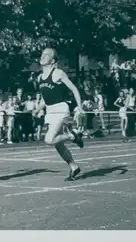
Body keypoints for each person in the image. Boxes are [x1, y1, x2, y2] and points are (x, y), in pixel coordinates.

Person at [34, 48, 84, 181]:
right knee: (58, 144)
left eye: (47, 55)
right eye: (42, 54)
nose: (43, 56)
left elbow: (74, 89)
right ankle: (74, 167)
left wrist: (79, 107)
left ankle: (72, 136)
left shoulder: (58, 73)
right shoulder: (40, 77)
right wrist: (37, 109)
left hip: (61, 109)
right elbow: (45, 98)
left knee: (49, 139)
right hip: (50, 111)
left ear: (53, 60)